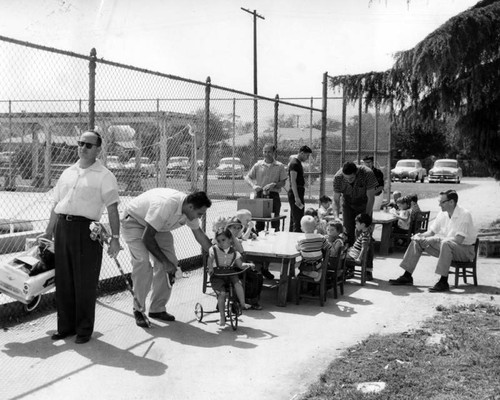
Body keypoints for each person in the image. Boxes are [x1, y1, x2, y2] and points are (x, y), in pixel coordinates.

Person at [41, 130, 121, 344]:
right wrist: (49, 232)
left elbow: (112, 209)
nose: (83, 148)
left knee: (84, 282)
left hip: (87, 231)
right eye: (80, 143)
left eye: (88, 145)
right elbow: (56, 205)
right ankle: (65, 327)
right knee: (64, 281)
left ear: (98, 149)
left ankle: (84, 329)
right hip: (63, 230)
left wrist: (115, 238)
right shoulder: (67, 172)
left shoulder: (105, 175)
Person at [121, 189, 212, 327]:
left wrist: (215, 254)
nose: (198, 218)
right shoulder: (166, 205)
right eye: (199, 214)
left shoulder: (189, 210)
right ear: (190, 207)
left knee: (171, 264)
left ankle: (157, 309)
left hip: (157, 227)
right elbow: (147, 238)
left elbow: (199, 234)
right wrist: (164, 262)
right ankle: (138, 309)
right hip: (134, 221)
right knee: (143, 263)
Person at [389, 190, 477, 292]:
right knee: (418, 241)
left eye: (442, 202)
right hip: (448, 247)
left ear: (451, 202)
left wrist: (435, 239)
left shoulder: (464, 214)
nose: (439, 204)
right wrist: (420, 235)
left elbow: (458, 239)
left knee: (445, 243)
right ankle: (407, 276)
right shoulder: (442, 213)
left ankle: (443, 281)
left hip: (465, 251)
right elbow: (431, 232)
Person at [207, 227, 251, 326]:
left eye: (223, 240)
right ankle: (222, 317)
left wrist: (247, 265)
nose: (221, 243)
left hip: (230, 273)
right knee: (222, 294)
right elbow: (210, 259)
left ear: (230, 240)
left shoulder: (234, 252)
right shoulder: (213, 249)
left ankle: (243, 303)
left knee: (238, 283)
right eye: (218, 241)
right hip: (217, 275)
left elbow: (240, 264)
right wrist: (210, 268)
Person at [332, 161, 378, 246]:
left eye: (351, 178)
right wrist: (336, 217)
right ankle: (349, 256)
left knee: (364, 231)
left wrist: (366, 216)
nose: (349, 181)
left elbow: (371, 197)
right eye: (346, 178)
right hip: (348, 204)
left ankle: (365, 256)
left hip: (364, 203)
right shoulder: (338, 177)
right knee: (347, 232)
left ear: (356, 172)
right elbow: (335, 200)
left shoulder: (367, 173)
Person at [244, 143, 287, 232]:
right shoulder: (258, 165)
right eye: (265, 152)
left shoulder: (279, 166)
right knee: (260, 222)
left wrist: (274, 185)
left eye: (269, 152)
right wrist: (254, 185)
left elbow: (283, 182)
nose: (266, 154)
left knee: (275, 220)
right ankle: (259, 238)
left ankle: (275, 240)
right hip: (260, 196)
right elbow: (247, 177)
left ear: (274, 152)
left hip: (274, 196)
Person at [296, 215, 331, 282]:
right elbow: (328, 247)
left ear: (302, 229)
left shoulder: (300, 239)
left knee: (299, 268)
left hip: (307, 265)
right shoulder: (320, 237)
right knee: (318, 262)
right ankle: (318, 272)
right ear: (315, 227)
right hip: (318, 264)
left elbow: (298, 248)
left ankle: (311, 273)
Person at [288, 145, 313, 232]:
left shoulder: (298, 163)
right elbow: (293, 181)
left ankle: (291, 235)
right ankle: (296, 237)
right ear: (302, 153)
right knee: (298, 219)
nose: (307, 157)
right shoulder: (294, 164)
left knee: (294, 217)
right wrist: (296, 197)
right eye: (307, 155)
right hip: (296, 192)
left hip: (299, 191)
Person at [345, 213, 374, 281]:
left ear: (363, 225)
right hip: (353, 252)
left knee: (340, 256)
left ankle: (344, 272)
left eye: (357, 224)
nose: (355, 225)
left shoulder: (365, 235)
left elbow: (364, 248)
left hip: (354, 255)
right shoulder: (365, 232)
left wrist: (359, 258)